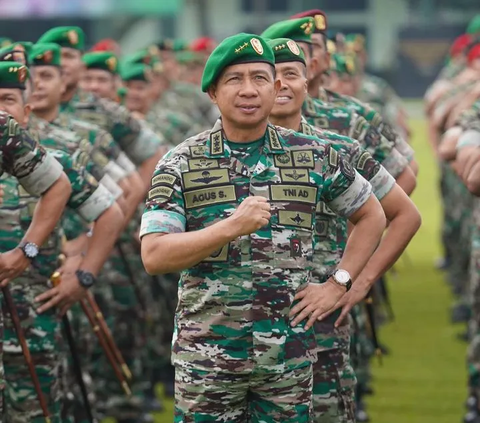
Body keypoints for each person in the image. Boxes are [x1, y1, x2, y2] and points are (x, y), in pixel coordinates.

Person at [140, 32, 387, 422]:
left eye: (259, 78)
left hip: (287, 359)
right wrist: (229, 227)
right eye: (235, 79)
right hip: (208, 360)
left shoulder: (313, 155)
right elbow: (154, 255)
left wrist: (339, 282)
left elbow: (372, 214)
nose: (249, 90)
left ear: (275, 89)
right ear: (213, 93)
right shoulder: (181, 162)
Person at [267, 36, 421, 422]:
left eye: (292, 74)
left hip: (318, 324)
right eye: (272, 76)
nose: (282, 84)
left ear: (309, 80)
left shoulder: (337, 149)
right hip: (235, 334)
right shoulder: (213, 151)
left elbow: (404, 213)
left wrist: (355, 280)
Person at [0, 60, 123, 422]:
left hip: (35, 316)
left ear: (25, 110)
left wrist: (83, 273)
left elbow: (110, 214)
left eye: (7, 100)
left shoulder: (56, 162)